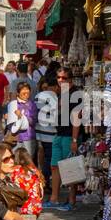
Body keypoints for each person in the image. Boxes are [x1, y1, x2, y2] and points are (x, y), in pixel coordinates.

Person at [44, 69, 79, 211]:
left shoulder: (76, 94)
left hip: (69, 135)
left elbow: (77, 118)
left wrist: (75, 140)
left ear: (70, 79)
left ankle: (71, 200)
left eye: (63, 78)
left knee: (70, 168)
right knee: (54, 166)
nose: (60, 80)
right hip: (59, 134)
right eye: (58, 77)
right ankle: (54, 198)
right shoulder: (61, 94)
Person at [5, 81, 38, 159]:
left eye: (27, 89)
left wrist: (22, 116)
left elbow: (33, 122)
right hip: (14, 138)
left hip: (28, 138)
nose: (26, 91)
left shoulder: (32, 105)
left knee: (28, 161)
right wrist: (6, 117)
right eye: (23, 89)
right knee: (14, 160)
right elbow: (8, 123)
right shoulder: (12, 104)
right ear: (17, 92)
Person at [11, 145, 44, 216]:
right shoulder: (35, 171)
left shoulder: (14, 171)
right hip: (36, 207)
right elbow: (41, 192)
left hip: (20, 208)